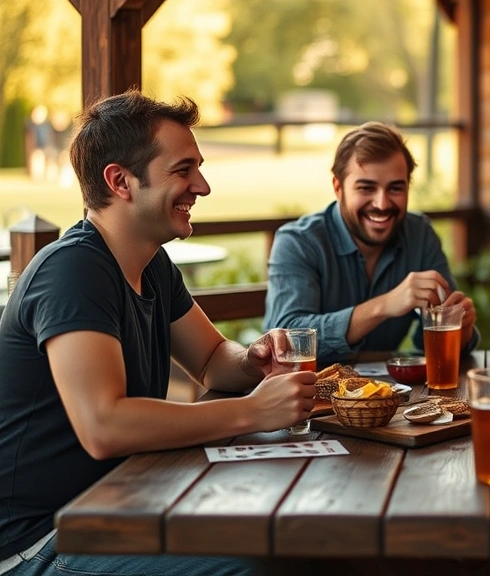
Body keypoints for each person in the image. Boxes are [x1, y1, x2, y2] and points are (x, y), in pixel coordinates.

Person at [0, 90, 317, 576]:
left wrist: (252, 360)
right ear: (120, 181)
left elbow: (212, 358)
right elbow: (104, 427)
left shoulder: (151, 265)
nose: (203, 186)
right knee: (259, 562)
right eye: (183, 170)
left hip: (122, 503)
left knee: (299, 535)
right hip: (44, 542)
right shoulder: (73, 270)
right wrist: (253, 410)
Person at [263, 121, 478, 365]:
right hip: (309, 396)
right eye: (366, 188)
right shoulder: (298, 242)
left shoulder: (420, 234)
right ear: (338, 187)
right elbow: (286, 341)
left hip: (388, 396)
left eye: (396, 188)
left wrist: (460, 328)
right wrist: (386, 305)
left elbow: (430, 345)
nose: (382, 204)